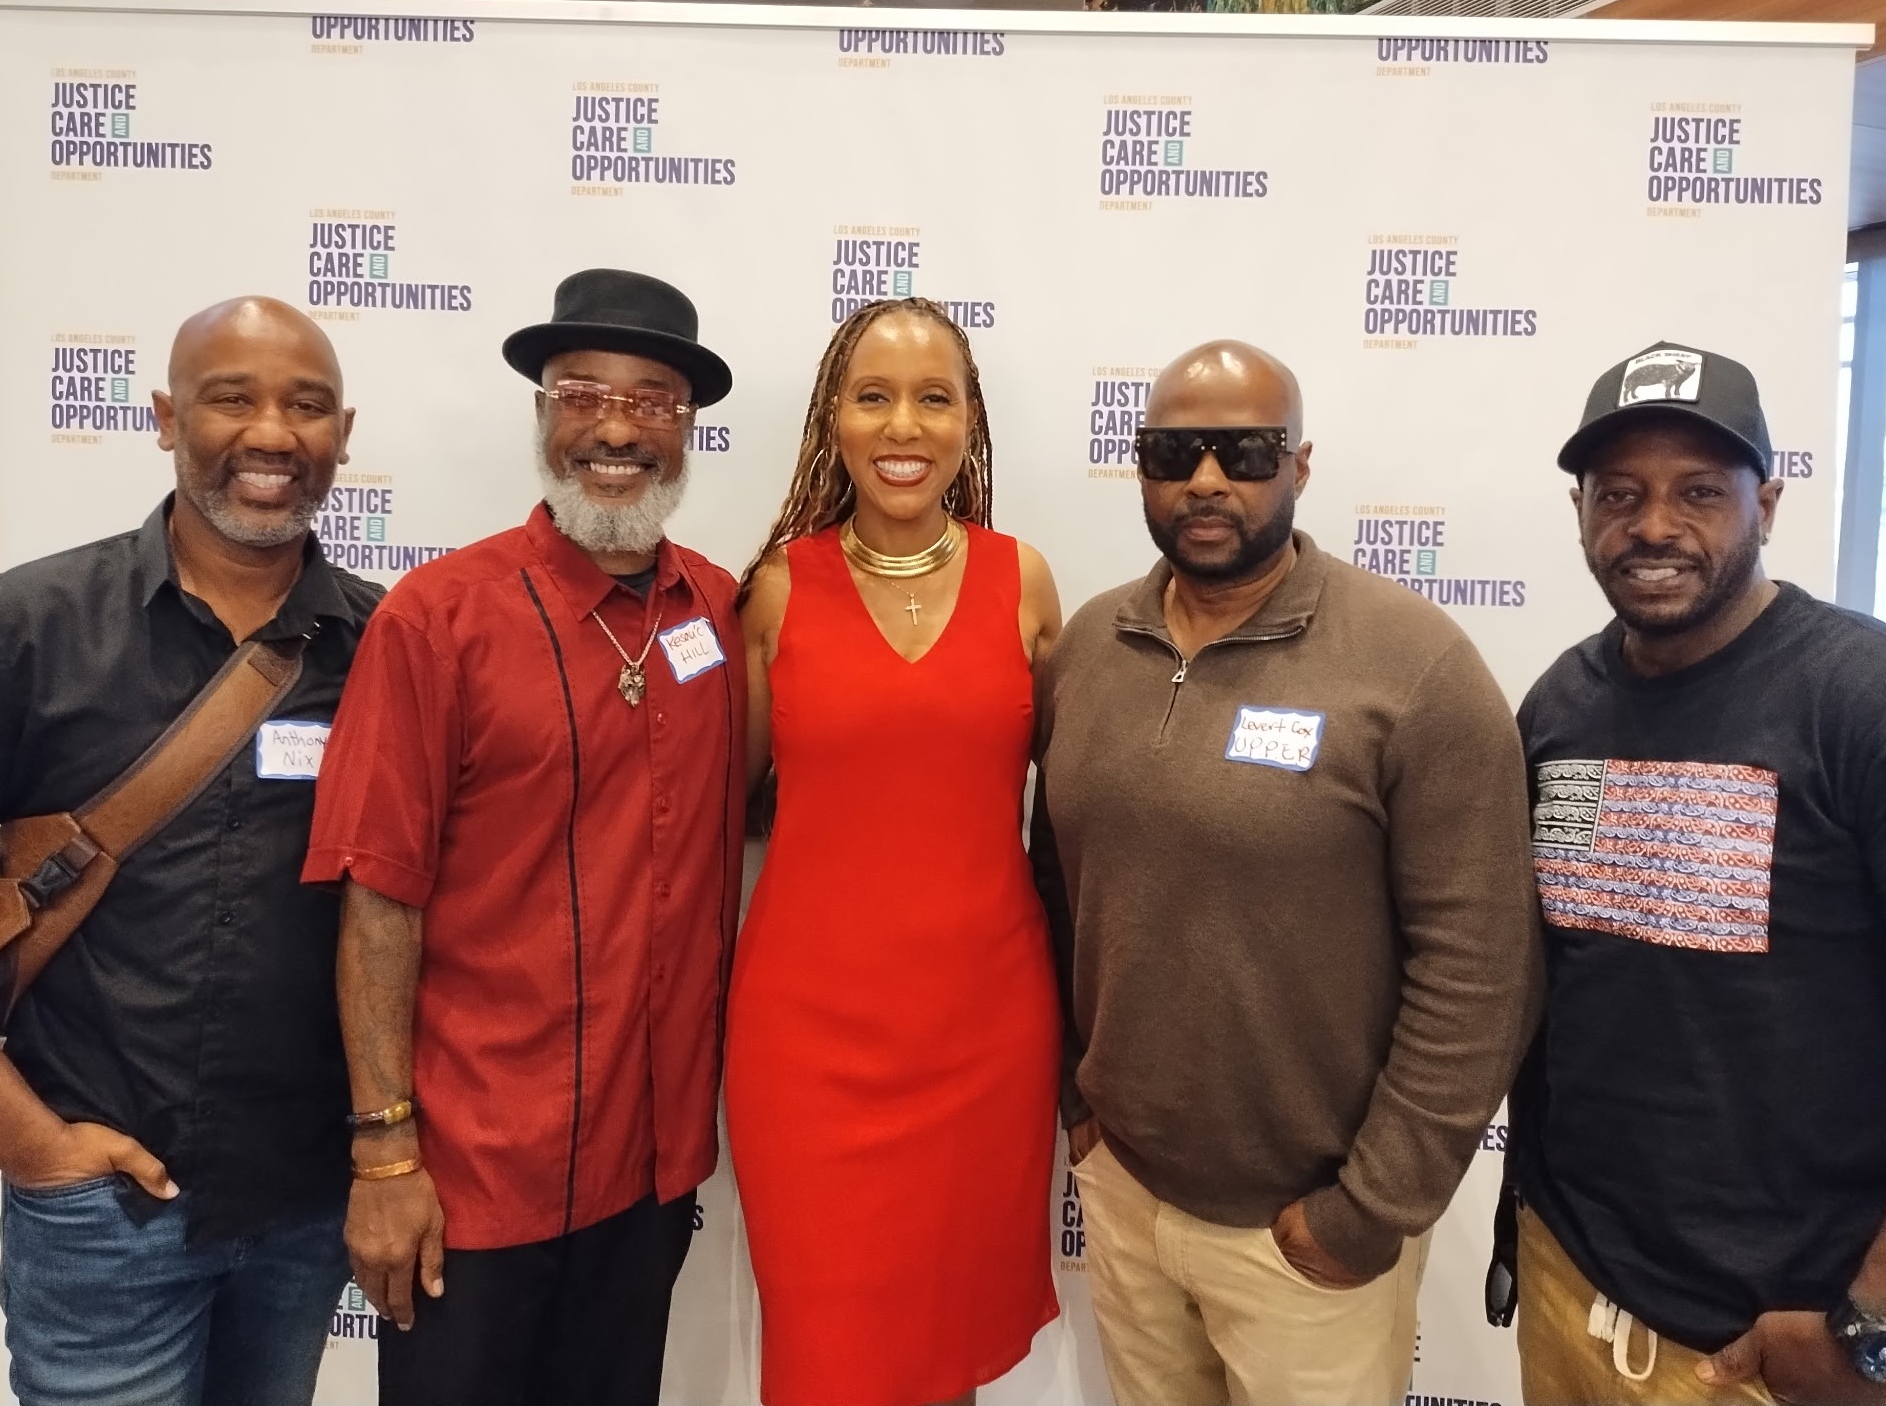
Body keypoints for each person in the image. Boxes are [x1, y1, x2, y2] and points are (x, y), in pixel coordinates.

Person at [1031, 340, 1542, 1406]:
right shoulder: (1088, 647)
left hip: (1306, 1238)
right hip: (1124, 1197)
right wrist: (1079, 1103)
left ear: (1298, 465)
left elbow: (1482, 967)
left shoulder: (1413, 666)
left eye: (1245, 451)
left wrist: (1368, 1210)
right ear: (1140, 468)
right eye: (1175, 451)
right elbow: (1054, 886)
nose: (1206, 479)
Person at [0, 297, 377, 1406]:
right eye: (232, 397)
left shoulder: (386, 650)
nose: (271, 431)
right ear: (167, 416)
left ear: (343, 435)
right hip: (100, 1213)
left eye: (305, 405)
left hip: (304, 1209)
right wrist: (26, 1142)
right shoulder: (22, 628)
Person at [302, 268, 745, 1406]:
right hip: (472, 1181)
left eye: (651, 402)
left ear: (687, 430)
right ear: (541, 413)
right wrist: (384, 1154)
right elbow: (376, 899)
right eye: (579, 391)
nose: (613, 428)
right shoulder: (437, 620)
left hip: (647, 1176)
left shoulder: (718, 616)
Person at [1508, 341, 1886, 1405]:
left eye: (1698, 493)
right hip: (1570, 1275)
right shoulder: (1558, 708)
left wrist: (1882, 1325)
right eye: (1618, 494)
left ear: (1765, 499)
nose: (1654, 526)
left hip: (1775, 1337)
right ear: (1579, 509)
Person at [726, 296, 1064, 1406]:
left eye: (932, 397)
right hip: (807, 1046)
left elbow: (1072, 812)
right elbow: (724, 798)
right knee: (826, 1357)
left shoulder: (1026, 583)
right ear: (834, 418)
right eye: (872, 397)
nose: (901, 425)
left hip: (983, 1036)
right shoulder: (777, 589)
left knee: (938, 1349)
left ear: (970, 421)